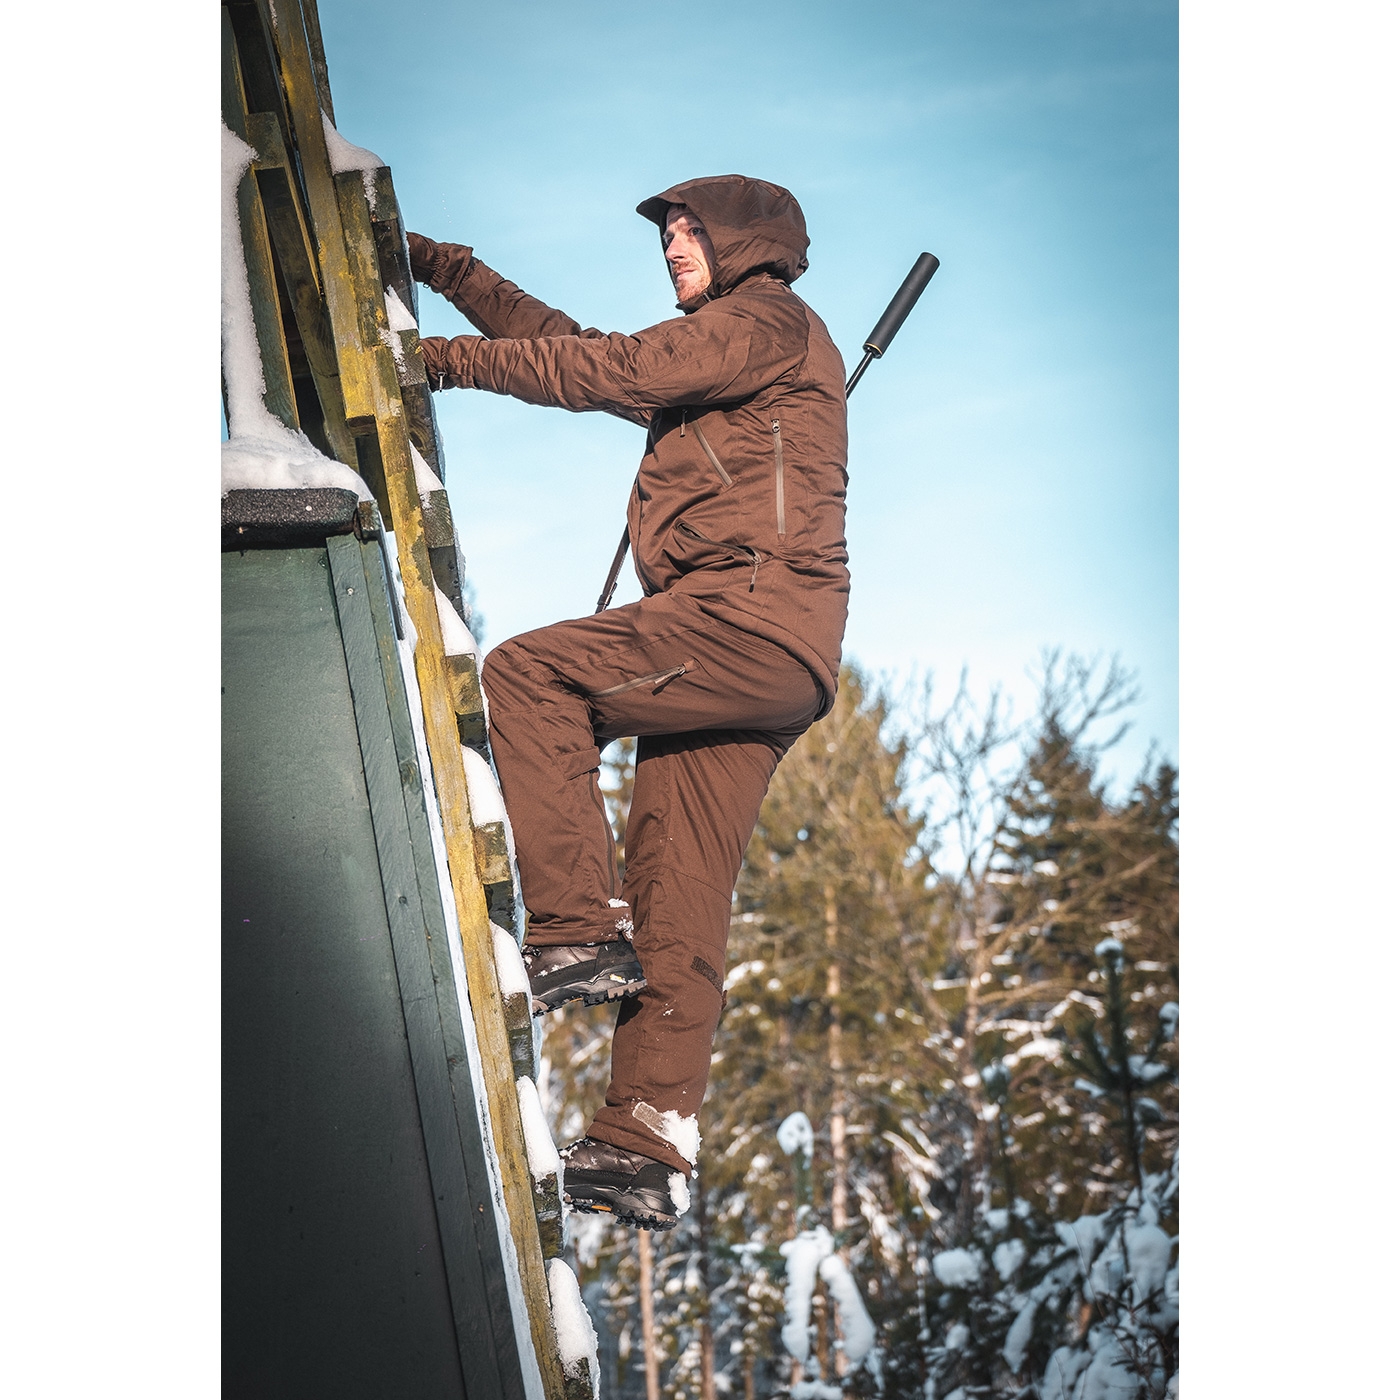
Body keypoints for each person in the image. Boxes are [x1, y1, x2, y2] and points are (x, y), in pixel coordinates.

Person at [407, 175, 849, 1229]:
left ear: (746, 242)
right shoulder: (728, 347)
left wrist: (439, 362)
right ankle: (644, 1136)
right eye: (668, 235)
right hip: (770, 649)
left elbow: (614, 367)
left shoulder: (766, 320)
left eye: (693, 231)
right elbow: (577, 347)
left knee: (529, 674)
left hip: (744, 616)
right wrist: (452, 273)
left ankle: (572, 929)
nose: (674, 248)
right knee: (678, 888)